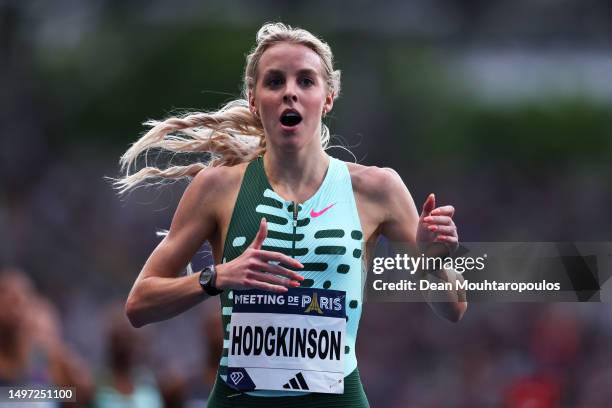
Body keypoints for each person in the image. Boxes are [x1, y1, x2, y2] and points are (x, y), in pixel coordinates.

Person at [118, 22, 466, 407]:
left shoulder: (377, 189)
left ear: (328, 97)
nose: (290, 93)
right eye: (275, 82)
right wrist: (219, 276)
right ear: (254, 99)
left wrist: (434, 261)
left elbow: (452, 308)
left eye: (305, 81)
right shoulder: (216, 188)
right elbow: (138, 304)